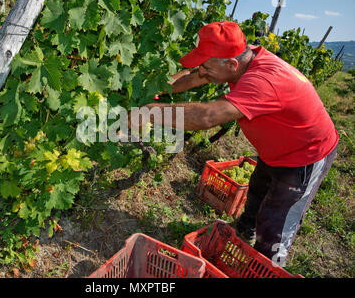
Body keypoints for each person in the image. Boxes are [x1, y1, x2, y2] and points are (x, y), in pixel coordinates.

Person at [128, 21, 339, 267]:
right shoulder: (240, 58)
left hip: (305, 156)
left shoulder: (262, 82)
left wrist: (149, 111)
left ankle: (266, 267)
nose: (202, 72)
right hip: (275, 151)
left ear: (231, 64)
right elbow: (194, 76)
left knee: (276, 224)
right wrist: (155, 90)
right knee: (257, 194)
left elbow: (207, 117)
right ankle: (244, 234)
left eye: (206, 66)